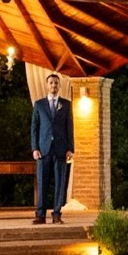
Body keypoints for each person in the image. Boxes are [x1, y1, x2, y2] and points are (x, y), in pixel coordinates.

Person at [30, 73, 76, 224]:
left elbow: (69, 127)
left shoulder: (66, 104)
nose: (54, 85)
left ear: (59, 85)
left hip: (60, 149)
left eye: (56, 83)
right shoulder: (39, 104)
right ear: (47, 85)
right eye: (51, 83)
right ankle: (40, 215)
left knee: (60, 183)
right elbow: (34, 128)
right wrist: (35, 148)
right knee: (42, 182)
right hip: (43, 150)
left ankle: (57, 214)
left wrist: (70, 148)